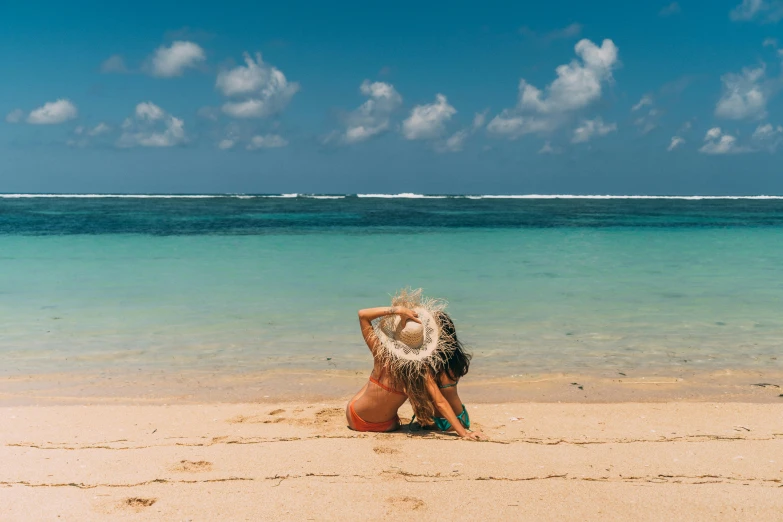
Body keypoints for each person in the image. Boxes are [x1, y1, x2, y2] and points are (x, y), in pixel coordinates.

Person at [345, 288, 484, 440]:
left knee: (371, 382)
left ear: (396, 338)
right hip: (387, 426)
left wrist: (397, 310)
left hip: (354, 418)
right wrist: (464, 433)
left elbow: (363, 315)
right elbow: (440, 402)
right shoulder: (420, 370)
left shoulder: (381, 355)